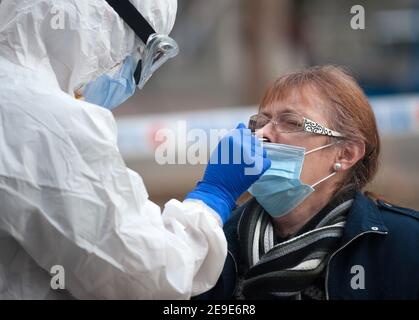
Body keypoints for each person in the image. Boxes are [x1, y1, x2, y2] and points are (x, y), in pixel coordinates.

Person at [0, 0, 270, 299]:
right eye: (145, 52)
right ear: (103, 23)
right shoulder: (47, 122)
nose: (132, 75)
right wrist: (212, 198)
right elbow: (146, 274)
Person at [197, 65, 419, 300]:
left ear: (345, 154)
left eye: (291, 122)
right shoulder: (216, 237)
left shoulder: (406, 244)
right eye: (260, 122)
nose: (263, 134)